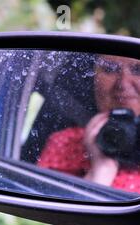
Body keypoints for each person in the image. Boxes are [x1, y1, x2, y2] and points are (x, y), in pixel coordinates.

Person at [37, 54, 140, 193]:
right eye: (109, 69)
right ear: (93, 80)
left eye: (138, 70)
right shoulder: (66, 143)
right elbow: (56, 209)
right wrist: (101, 171)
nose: (122, 83)